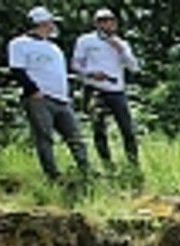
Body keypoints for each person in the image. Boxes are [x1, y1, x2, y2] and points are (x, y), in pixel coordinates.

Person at [8, 6, 90, 180]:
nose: (53, 26)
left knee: (75, 137)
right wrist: (33, 90)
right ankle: (52, 176)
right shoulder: (19, 44)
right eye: (50, 22)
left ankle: (85, 171)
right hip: (40, 99)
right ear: (42, 23)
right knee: (44, 138)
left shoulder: (53, 47)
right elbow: (17, 69)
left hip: (62, 99)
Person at [72, 8, 139, 169]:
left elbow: (134, 67)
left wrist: (120, 50)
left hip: (117, 91)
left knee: (127, 130)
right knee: (99, 130)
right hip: (94, 90)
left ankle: (133, 164)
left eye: (110, 20)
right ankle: (107, 164)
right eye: (102, 21)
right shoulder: (85, 41)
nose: (107, 24)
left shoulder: (121, 43)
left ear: (115, 23)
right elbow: (75, 64)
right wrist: (90, 73)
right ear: (96, 24)